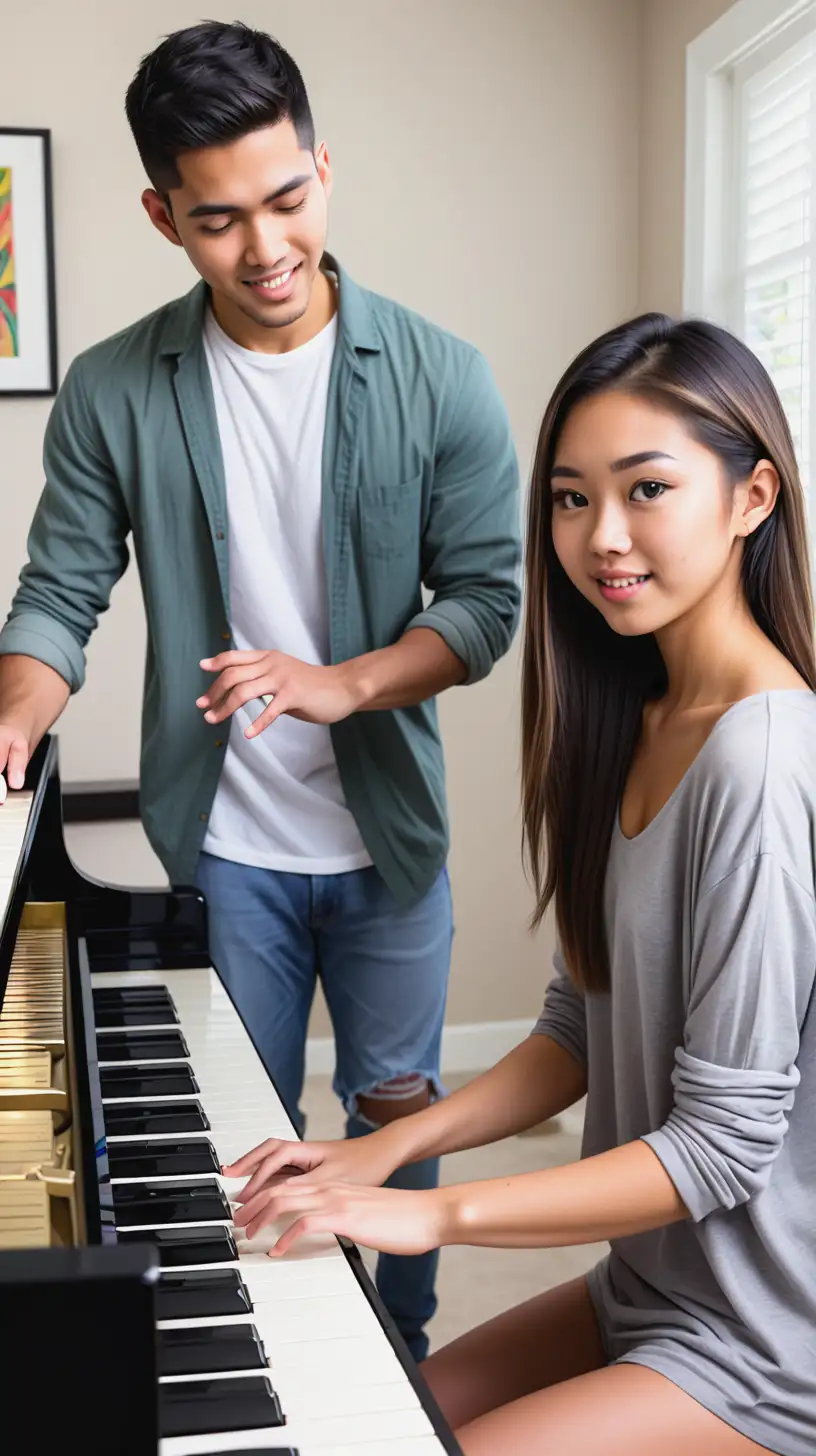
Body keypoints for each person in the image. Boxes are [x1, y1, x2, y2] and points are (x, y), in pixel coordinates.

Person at [0, 21, 521, 1360]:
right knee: (244, 1123)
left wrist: (343, 683)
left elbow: (485, 605)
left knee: (395, 1105)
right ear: (162, 213)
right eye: (219, 219)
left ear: (323, 169)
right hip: (226, 843)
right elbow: (60, 593)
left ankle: (397, 1336)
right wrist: (16, 712)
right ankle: (286, 1345)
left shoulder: (442, 376)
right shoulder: (115, 387)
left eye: (288, 200)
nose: (266, 247)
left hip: (389, 834)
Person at [222, 312, 816, 1455]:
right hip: (649, 1290)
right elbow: (574, 1030)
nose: (603, 536)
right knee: (373, 1424)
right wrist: (381, 1147)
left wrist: (430, 1210)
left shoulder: (764, 753)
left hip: (766, 1346)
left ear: (752, 497)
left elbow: (721, 1146)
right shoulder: (633, 720)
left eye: (648, 489)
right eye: (570, 497)